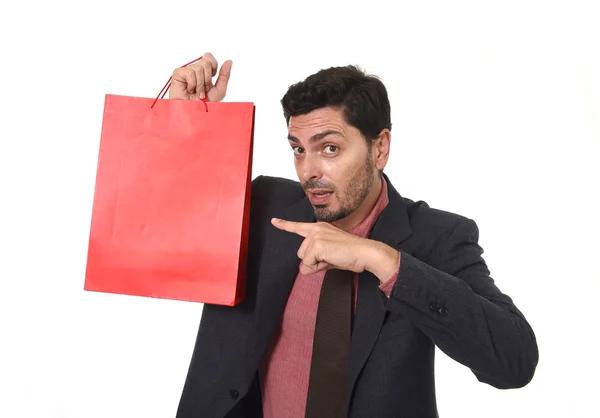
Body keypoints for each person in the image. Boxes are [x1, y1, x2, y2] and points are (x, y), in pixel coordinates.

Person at [171, 53, 539, 418]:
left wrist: (383, 260)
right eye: (299, 149)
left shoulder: (437, 237)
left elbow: (515, 362)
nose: (309, 171)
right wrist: (186, 128)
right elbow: (169, 239)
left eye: (330, 148)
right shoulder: (267, 207)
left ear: (379, 148)